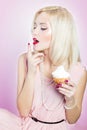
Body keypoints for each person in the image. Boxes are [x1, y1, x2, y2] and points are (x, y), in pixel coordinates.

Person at [0, 6, 87, 130]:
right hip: (26, 126)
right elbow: (23, 112)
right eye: (34, 26)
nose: (34, 32)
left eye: (43, 28)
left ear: (60, 34)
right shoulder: (24, 60)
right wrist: (31, 72)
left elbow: (72, 119)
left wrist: (70, 99)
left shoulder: (79, 72)